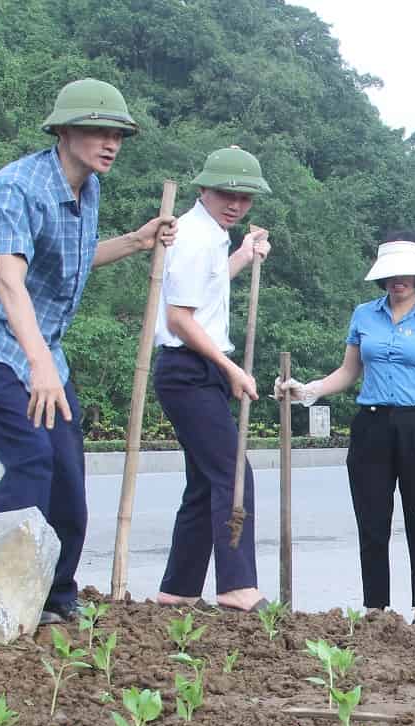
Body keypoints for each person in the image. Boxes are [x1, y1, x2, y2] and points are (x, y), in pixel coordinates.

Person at [0, 78, 175, 624]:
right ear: (64, 130)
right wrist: (39, 365)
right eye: (97, 131)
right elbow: (9, 281)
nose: (110, 143)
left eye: (117, 134)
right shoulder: (17, 188)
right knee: (32, 460)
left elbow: (71, 259)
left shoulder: (86, 188)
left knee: (69, 475)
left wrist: (136, 242)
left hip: (41, 352)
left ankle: (55, 599)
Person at [274, 234, 415, 624]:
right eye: (391, 275)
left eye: (406, 274)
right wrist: (307, 391)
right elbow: (348, 371)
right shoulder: (364, 315)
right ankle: (376, 609)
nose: (399, 281)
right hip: (372, 425)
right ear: (382, 278)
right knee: (372, 521)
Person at [151, 147, 273, 613]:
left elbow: (207, 289)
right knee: (233, 474)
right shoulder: (194, 236)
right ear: (203, 189)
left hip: (198, 368)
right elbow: (180, 318)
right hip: (188, 370)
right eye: (227, 194)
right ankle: (236, 586)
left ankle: (178, 587)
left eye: (244, 198)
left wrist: (243, 254)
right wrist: (231, 369)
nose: (236, 205)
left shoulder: (212, 236)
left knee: (205, 482)